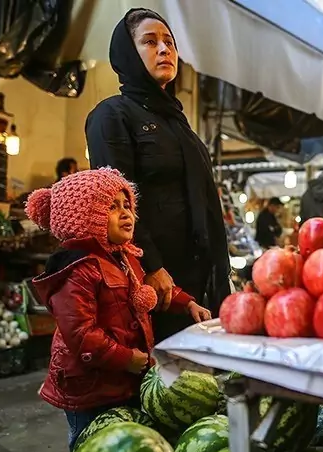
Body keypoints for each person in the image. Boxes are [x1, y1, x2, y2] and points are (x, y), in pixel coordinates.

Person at [25, 168, 211, 452]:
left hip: (122, 379)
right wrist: (125, 358)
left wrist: (187, 303)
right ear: (85, 218)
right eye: (112, 207)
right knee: (91, 445)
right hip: (90, 387)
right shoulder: (76, 271)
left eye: (127, 205)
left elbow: (147, 291)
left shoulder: (125, 257)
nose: (126, 214)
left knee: (121, 446)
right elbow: (81, 335)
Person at [85, 8, 230, 341]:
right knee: (154, 382)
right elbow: (115, 202)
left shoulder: (180, 126)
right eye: (150, 42)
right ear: (128, 53)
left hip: (193, 284)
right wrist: (150, 265)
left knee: (194, 383)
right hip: (152, 285)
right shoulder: (112, 116)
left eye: (170, 42)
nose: (164, 50)